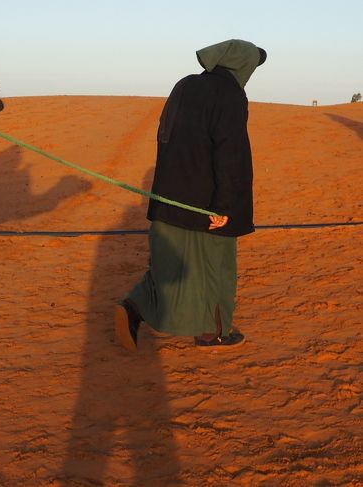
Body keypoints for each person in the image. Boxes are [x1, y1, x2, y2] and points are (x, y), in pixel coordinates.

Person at [114, 39, 267, 351]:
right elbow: (229, 152)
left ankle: (136, 306)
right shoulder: (230, 93)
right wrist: (223, 205)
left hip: (170, 197)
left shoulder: (184, 85)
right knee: (216, 266)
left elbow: (166, 134)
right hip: (209, 203)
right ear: (241, 64)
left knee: (168, 265)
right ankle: (214, 332)